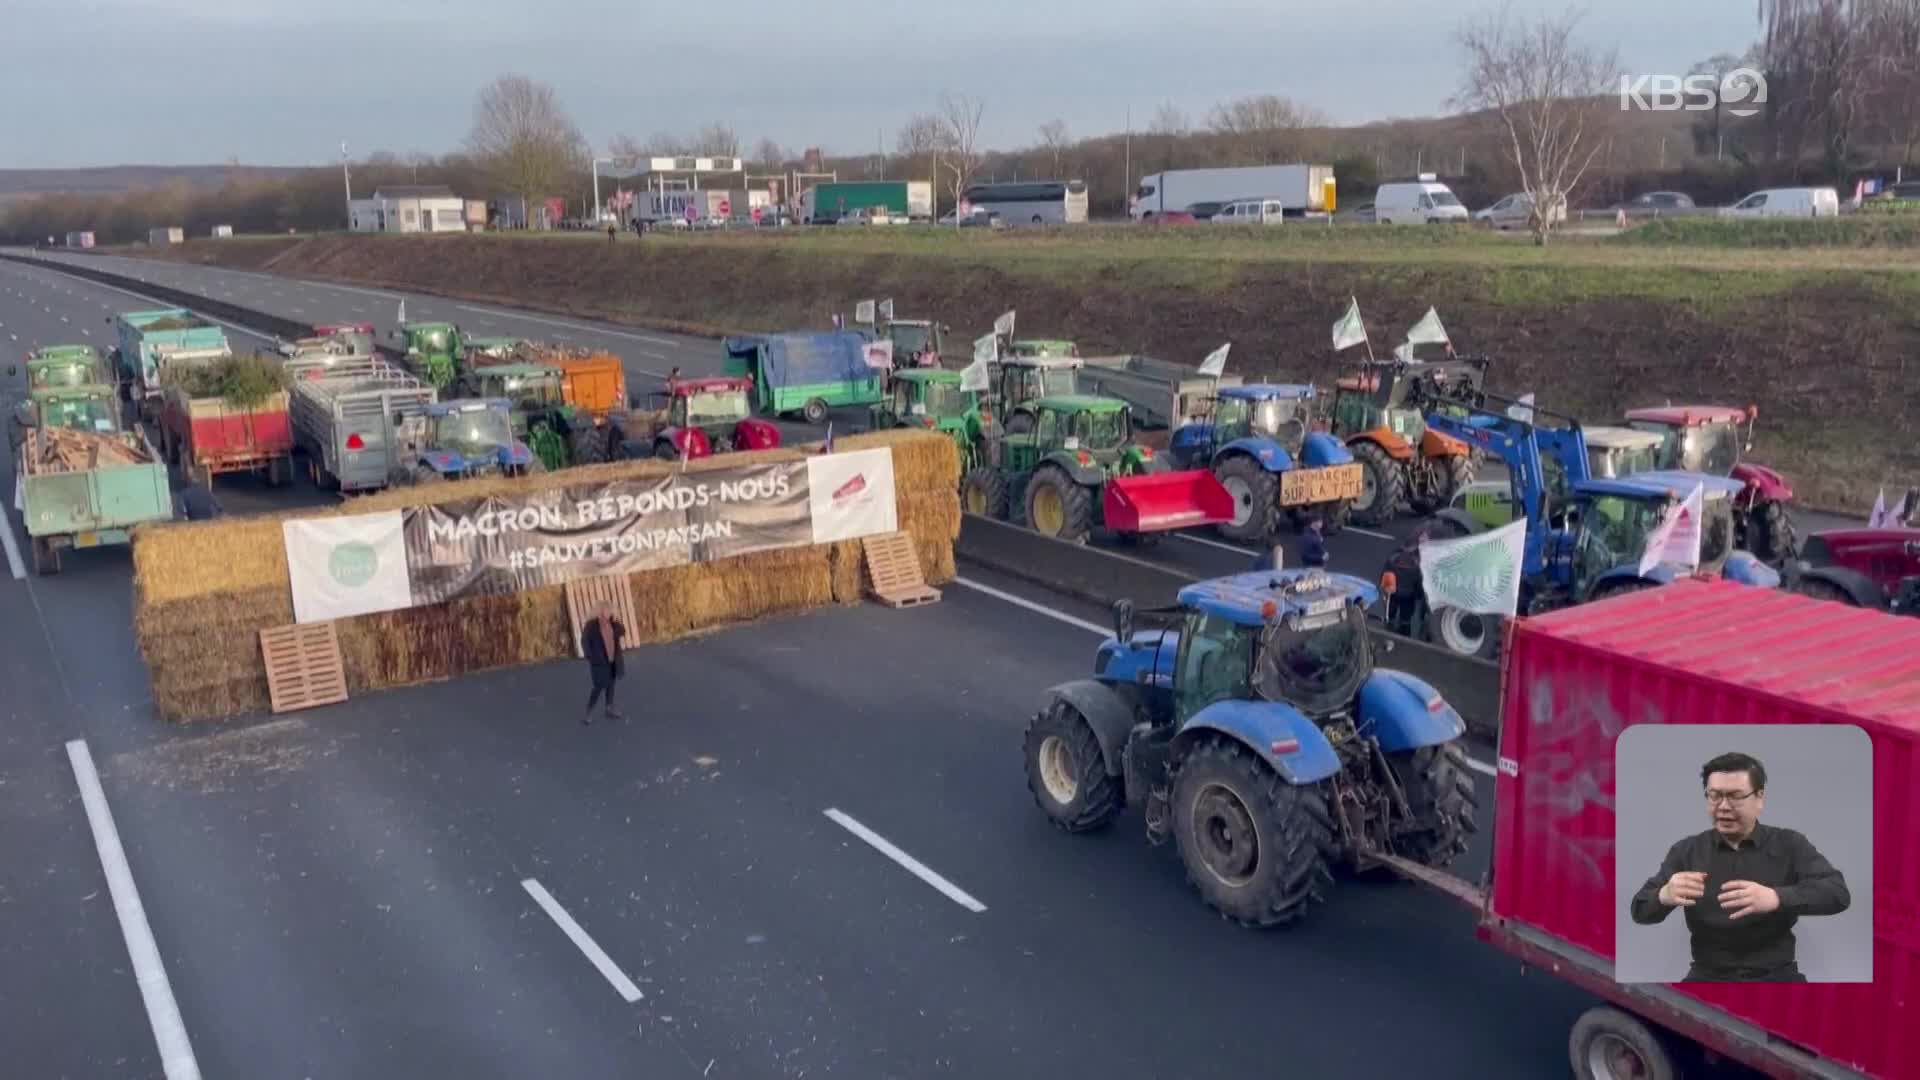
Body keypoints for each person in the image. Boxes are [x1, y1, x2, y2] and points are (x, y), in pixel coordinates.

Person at [1628, 751, 1851, 982]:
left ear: (1760, 798)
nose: (1723, 807)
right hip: (1708, 975)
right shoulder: (1687, 851)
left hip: (1776, 975)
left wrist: (1776, 897)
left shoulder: (1789, 844)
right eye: (1714, 796)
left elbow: (1837, 892)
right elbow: (1639, 909)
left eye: (1735, 796)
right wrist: (1664, 894)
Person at [580, 604, 627, 725]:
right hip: (599, 662)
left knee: (611, 684)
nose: (609, 613)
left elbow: (622, 631)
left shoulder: (613, 623)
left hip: (612, 660)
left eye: (610, 611)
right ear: (600, 611)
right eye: (607, 611)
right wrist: (591, 657)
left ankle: (609, 708)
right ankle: (588, 713)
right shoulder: (592, 625)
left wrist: (616, 620)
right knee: (598, 687)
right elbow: (584, 641)